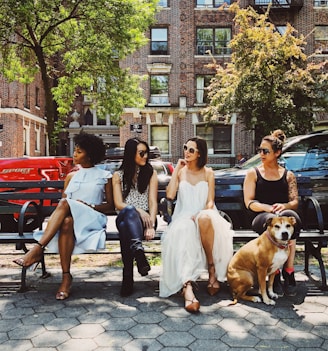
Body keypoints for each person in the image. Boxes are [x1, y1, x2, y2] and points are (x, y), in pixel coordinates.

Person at [13, 132, 114, 300]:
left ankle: (38, 249)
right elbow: (64, 208)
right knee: (66, 221)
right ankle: (66, 277)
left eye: (79, 151)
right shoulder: (71, 176)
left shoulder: (105, 176)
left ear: (90, 155)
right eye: (75, 150)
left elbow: (110, 206)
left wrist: (89, 206)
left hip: (92, 219)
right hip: (73, 220)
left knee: (65, 203)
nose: (74, 154)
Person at [159, 137, 234, 313]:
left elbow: (210, 202)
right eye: (186, 148)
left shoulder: (208, 173)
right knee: (184, 229)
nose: (187, 152)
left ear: (199, 153)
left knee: (205, 218)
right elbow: (169, 195)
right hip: (183, 216)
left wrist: (199, 213)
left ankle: (212, 269)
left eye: (191, 150)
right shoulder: (181, 172)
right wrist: (177, 167)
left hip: (204, 212)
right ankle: (187, 287)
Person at [243, 129, 302, 297]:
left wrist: (284, 205)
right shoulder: (253, 173)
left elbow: (294, 202)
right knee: (272, 221)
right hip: (260, 215)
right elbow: (249, 202)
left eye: (265, 151)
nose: (261, 154)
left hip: (283, 215)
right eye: (260, 150)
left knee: (294, 219)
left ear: (277, 153)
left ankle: (288, 271)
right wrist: (267, 208)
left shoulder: (288, 175)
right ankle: (274, 273)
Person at [112, 138, 158, 297]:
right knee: (128, 213)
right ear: (131, 154)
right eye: (141, 153)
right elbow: (119, 204)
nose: (145, 156)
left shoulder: (151, 173)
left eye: (146, 153)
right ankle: (138, 250)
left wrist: (151, 224)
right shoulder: (118, 175)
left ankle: (128, 277)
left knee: (125, 229)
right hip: (127, 215)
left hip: (146, 221)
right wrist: (139, 210)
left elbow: (152, 201)